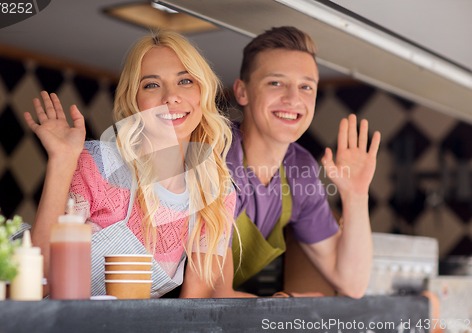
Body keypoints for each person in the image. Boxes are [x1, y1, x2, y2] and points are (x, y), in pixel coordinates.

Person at [20, 31, 236, 298]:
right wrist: (62, 159)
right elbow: (39, 274)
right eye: (152, 85)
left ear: (203, 91)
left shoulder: (216, 192)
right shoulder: (98, 165)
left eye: (185, 81)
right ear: (133, 101)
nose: (171, 97)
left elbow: (193, 303)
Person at [212, 26, 381, 298]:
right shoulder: (216, 156)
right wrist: (288, 308)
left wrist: (356, 196)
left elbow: (352, 282)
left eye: (306, 87)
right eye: (276, 83)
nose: (293, 99)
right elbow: (210, 294)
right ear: (242, 92)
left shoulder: (299, 171)